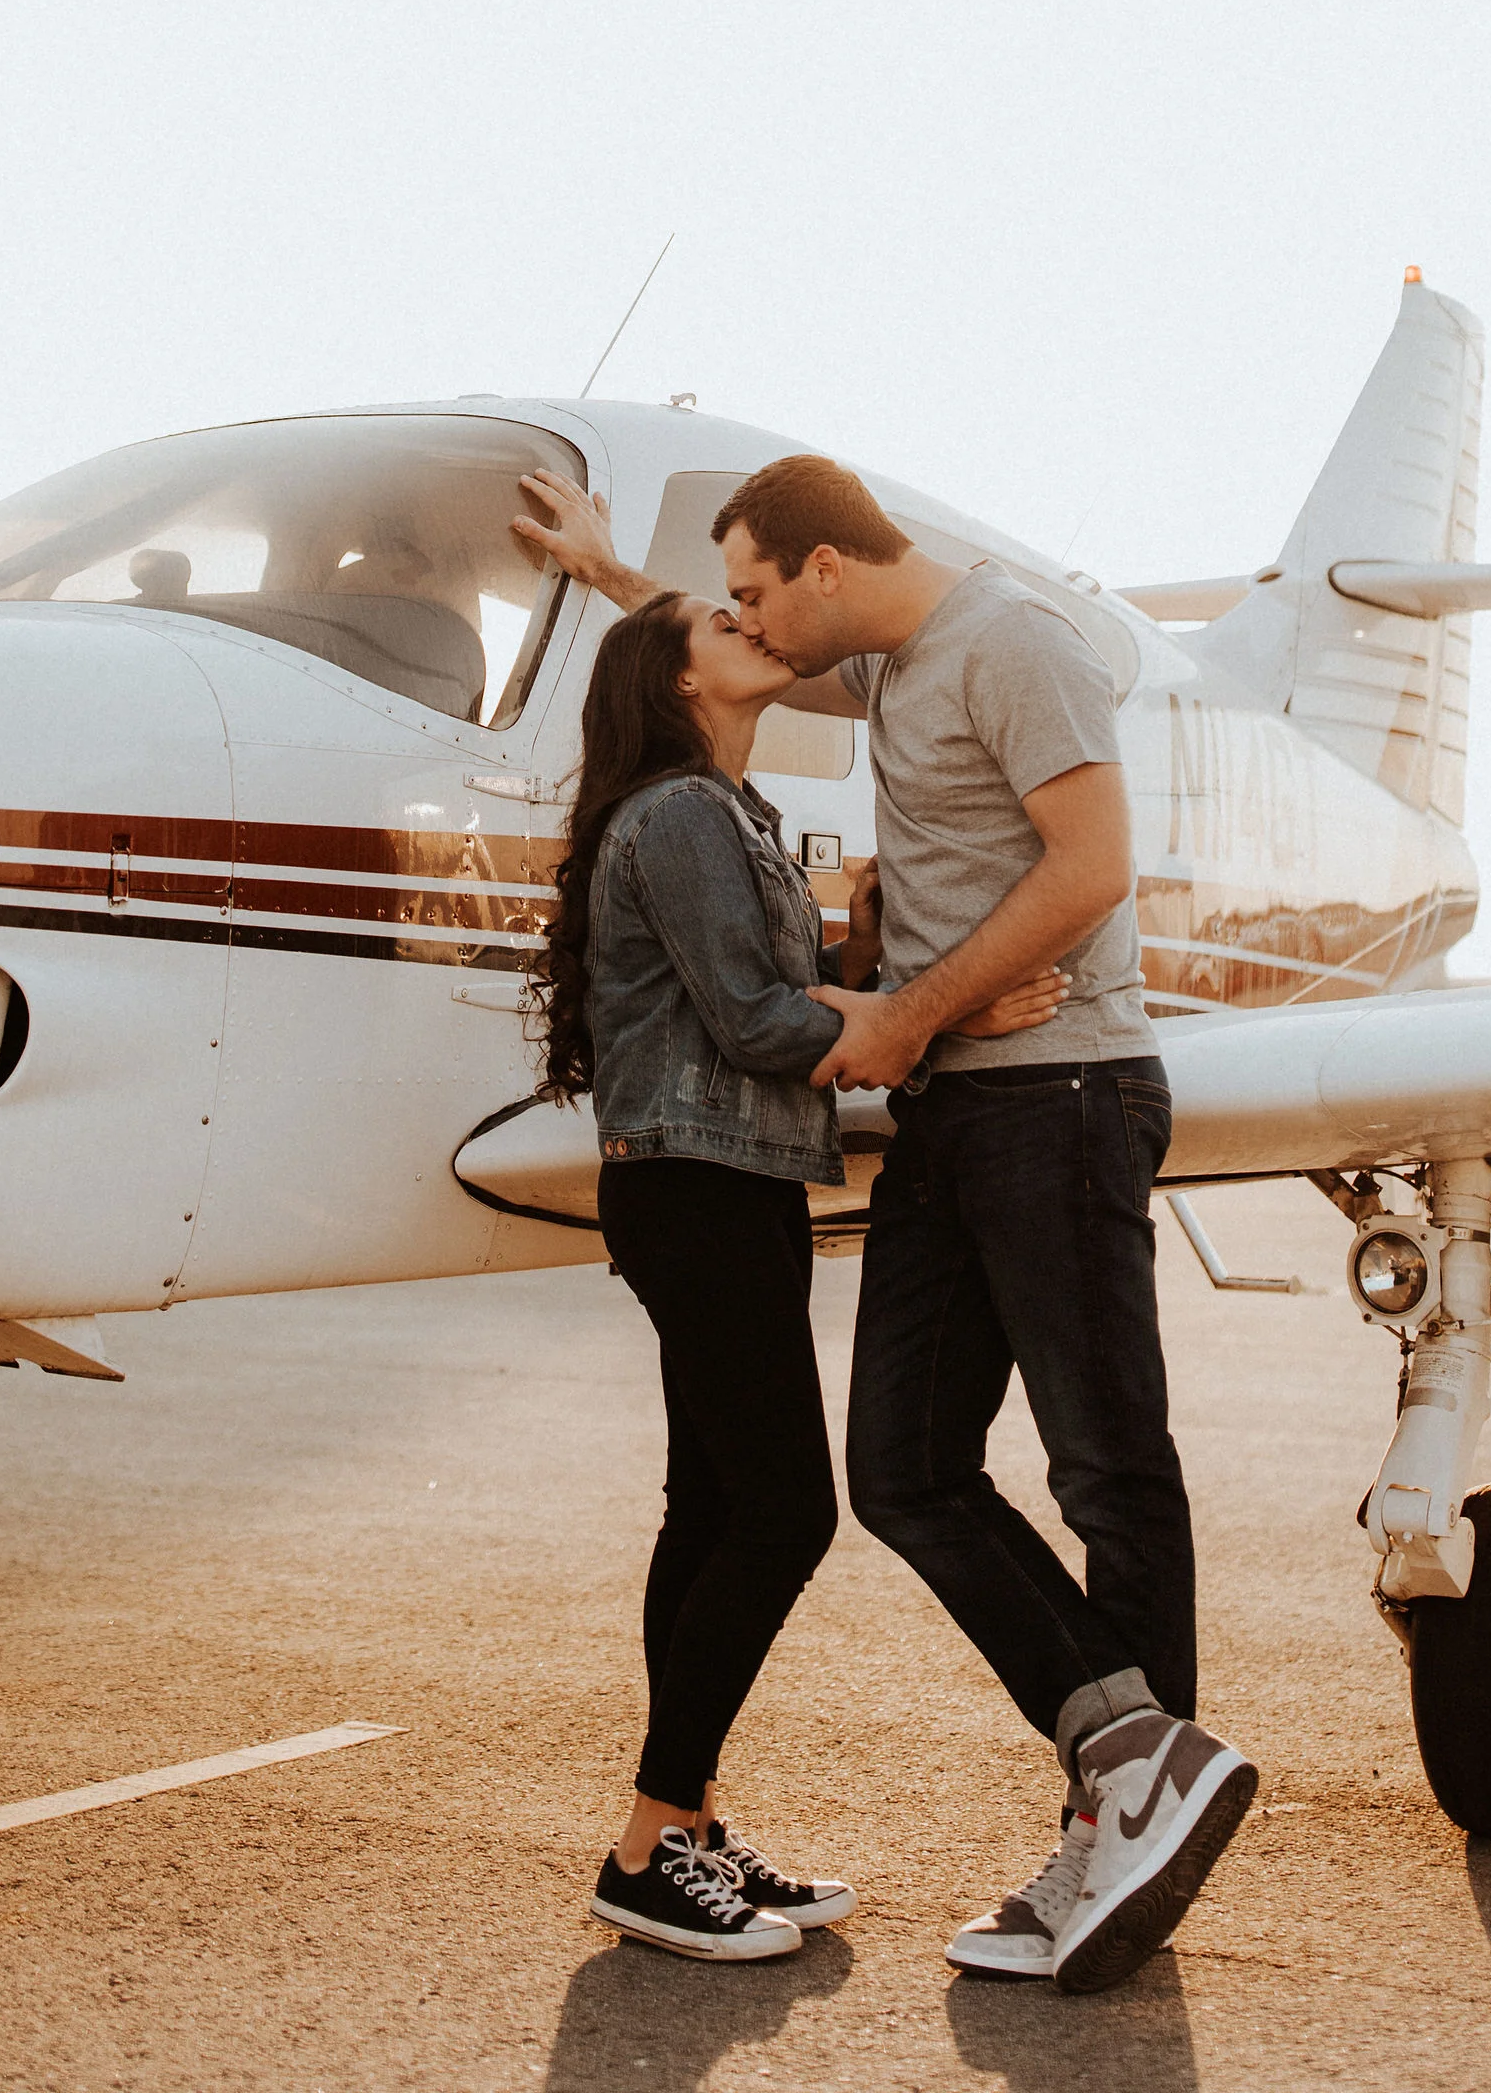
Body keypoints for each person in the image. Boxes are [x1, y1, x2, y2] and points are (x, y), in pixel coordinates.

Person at [517, 458, 1257, 1998]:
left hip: (1056, 1088)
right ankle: (1133, 1761)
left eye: (757, 590)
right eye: (724, 610)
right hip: (950, 1107)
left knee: (1106, 1468)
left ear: (828, 568)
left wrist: (912, 1011)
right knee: (902, 1473)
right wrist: (598, 575)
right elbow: (682, 669)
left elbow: (1097, 869)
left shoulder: (1016, 644)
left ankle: (1122, 1824)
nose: (750, 624)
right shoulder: (878, 673)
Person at [528, 582, 1069, 1964]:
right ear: (677, 680)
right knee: (784, 1515)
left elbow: (774, 991)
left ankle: (690, 1834)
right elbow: (763, 1022)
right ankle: (650, 1841)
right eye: (721, 623)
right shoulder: (682, 816)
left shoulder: (740, 819)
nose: (750, 627)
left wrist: (869, 949)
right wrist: (937, 1013)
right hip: (697, 1184)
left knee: (710, 1509)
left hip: (734, 1181)